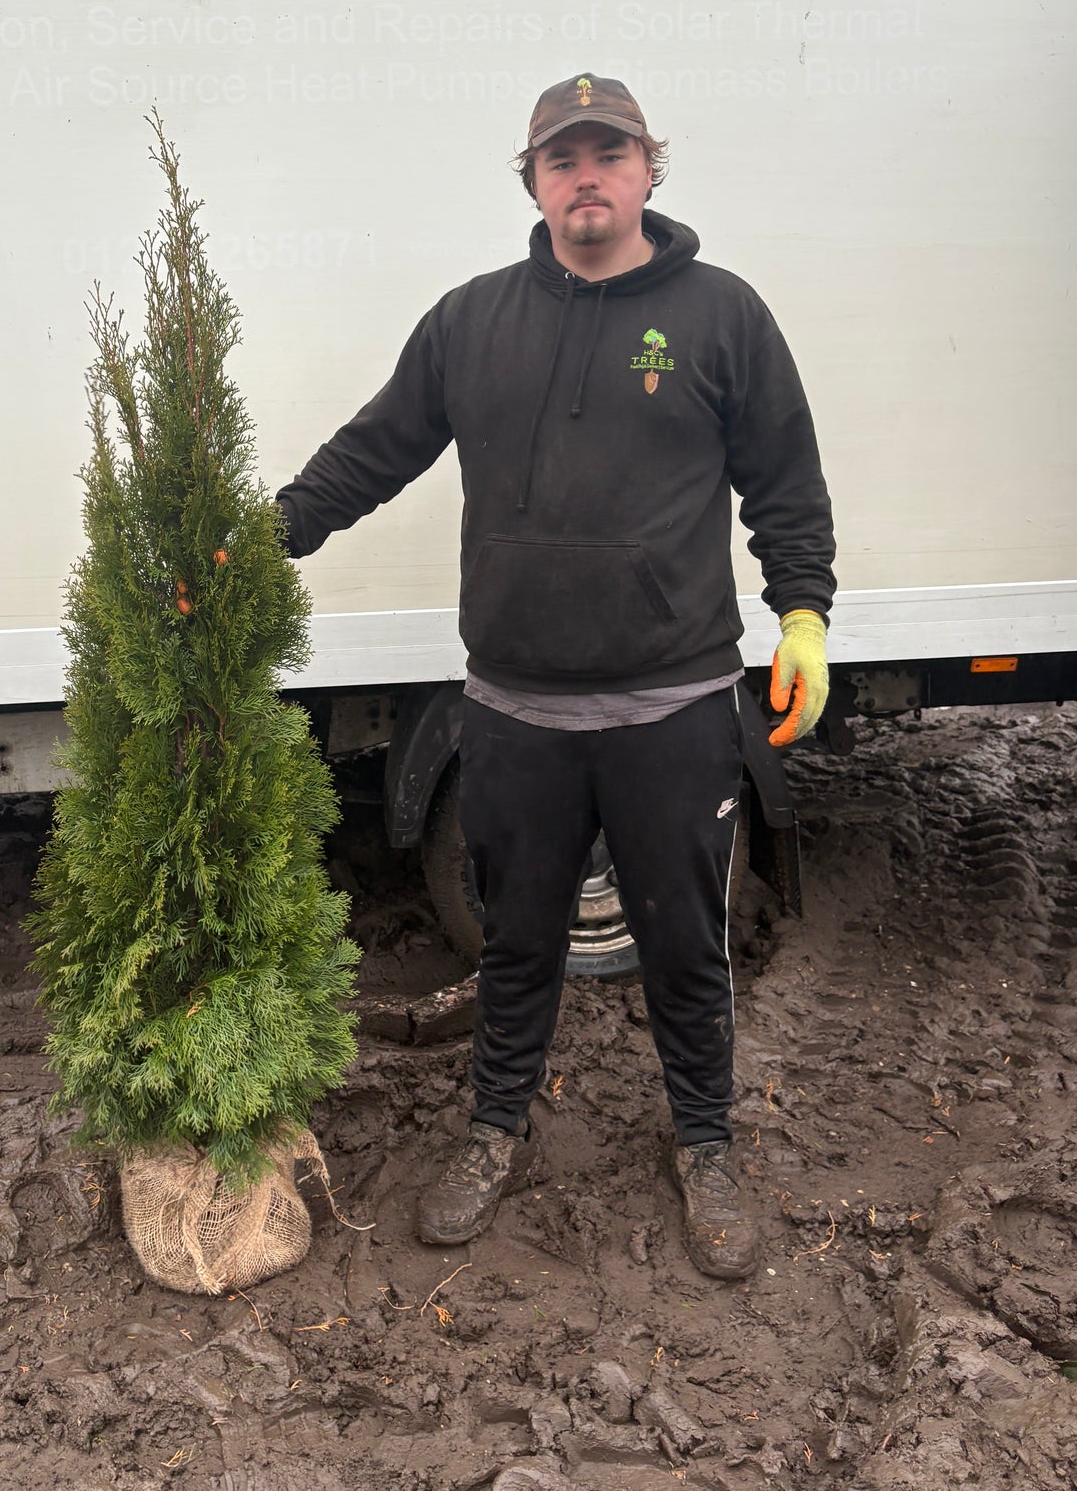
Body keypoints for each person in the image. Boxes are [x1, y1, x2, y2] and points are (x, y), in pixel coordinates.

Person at [274, 73, 834, 1280]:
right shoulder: (470, 322)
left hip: (674, 707)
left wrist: (801, 613)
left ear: (647, 169)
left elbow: (785, 482)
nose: (586, 175)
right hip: (514, 712)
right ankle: (493, 1128)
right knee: (518, 941)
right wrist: (263, 535)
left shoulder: (721, 315)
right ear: (530, 180)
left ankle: (703, 1142)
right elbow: (371, 454)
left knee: (685, 943)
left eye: (608, 152)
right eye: (561, 156)